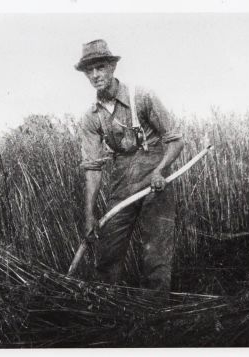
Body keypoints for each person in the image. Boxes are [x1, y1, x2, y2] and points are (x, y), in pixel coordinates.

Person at [75, 39, 184, 292]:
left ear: (112, 68)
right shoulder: (92, 117)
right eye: (89, 71)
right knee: (108, 252)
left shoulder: (142, 97)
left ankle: (154, 317)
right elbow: (93, 168)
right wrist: (89, 215)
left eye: (100, 67)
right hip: (122, 183)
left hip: (155, 182)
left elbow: (176, 141)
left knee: (155, 256)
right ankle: (105, 312)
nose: (95, 75)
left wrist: (159, 171)